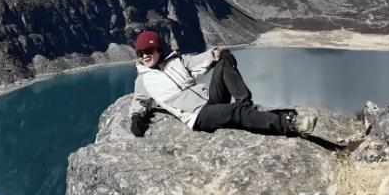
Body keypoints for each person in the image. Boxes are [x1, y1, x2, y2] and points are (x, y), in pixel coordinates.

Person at [127, 30, 316, 137]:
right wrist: (136, 117)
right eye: (140, 52)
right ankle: (291, 124)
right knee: (236, 113)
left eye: (149, 49)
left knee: (225, 60)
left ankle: (245, 103)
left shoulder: (176, 61)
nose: (145, 55)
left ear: (158, 49)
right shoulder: (143, 79)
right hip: (198, 115)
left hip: (210, 100)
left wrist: (214, 53)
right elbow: (140, 101)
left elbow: (198, 61)